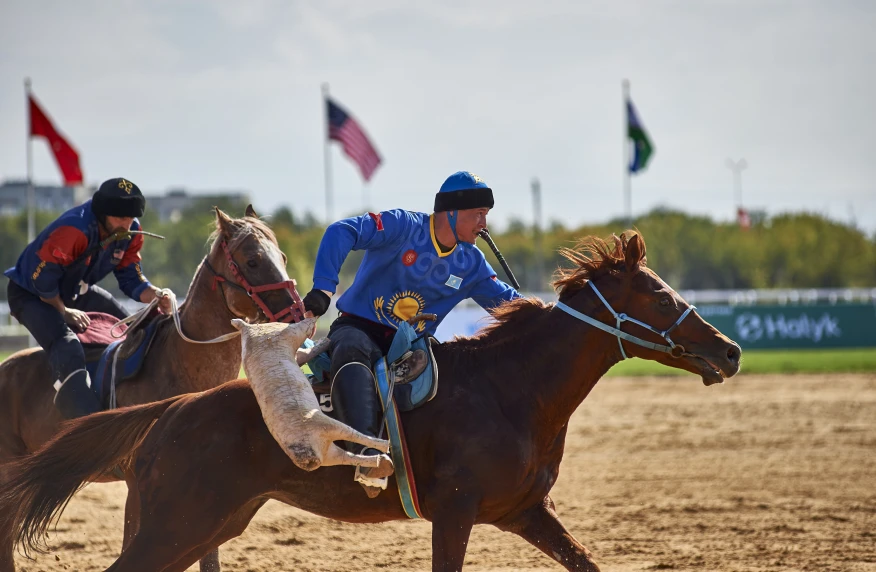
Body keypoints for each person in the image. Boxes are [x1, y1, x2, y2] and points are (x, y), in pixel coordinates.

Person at [302, 170, 521, 495]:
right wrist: (322, 289)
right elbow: (341, 231)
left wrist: (558, 317)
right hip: (357, 329)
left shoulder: (472, 263)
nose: (483, 224)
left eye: (485, 216)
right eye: (478, 214)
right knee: (351, 346)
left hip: (414, 347)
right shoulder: (401, 226)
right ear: (452, 211)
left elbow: (512, 305)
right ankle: (367, 457)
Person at [4, 177, 174, 420]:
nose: (126, 226)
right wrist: (64, 312)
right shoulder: (74, 230)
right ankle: (88, 423)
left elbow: (132, 280)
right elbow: (43, 282)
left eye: (130, 219)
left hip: (75, 291)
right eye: (119, 218)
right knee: (67, 344)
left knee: (134, 329)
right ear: (102, 213)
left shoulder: (131, 231)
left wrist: (156, 295)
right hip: (32, 294)